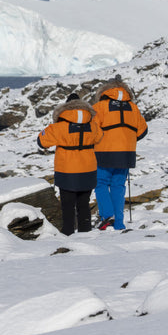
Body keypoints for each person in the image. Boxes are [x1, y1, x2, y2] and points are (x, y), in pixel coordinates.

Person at [37, 93, 104, 235]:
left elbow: (41, 142)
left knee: (67, 205)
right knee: (84, 204)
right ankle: (85, 232)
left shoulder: (58, 127)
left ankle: (67, 233)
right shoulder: (93, 125)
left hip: (66, 170)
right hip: (88, 169)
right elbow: (100, 137)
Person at [92, 76, 148, 230]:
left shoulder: (100, 106)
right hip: (126, 152)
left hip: (105, 151)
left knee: (100, 183)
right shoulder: (133, 108)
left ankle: (107, 216)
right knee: (118, 185)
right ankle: (118, 223)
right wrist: (127, 138)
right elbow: (143, 131)